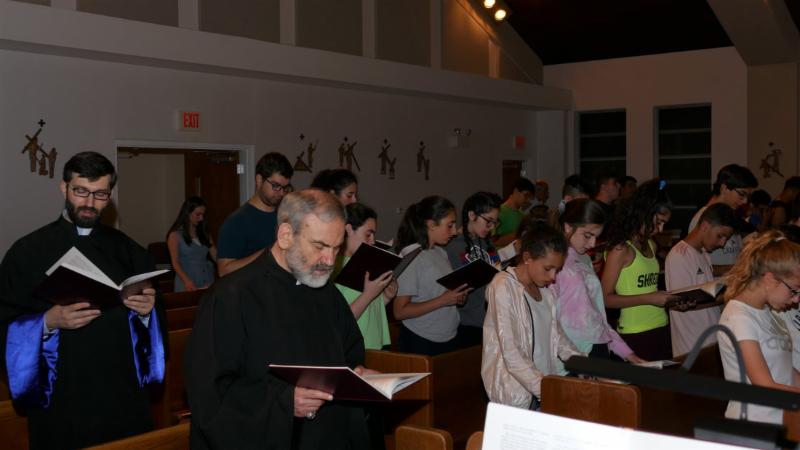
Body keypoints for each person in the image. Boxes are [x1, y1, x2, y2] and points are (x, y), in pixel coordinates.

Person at [0, 152, 165, 449]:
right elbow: (4, 321)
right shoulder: (26, 253)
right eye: (81, 191)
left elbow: (154, 327)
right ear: (64, 188)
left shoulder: (130, 251)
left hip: (121, 392)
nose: (90, 203)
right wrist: (47, 321)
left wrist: (145, 314)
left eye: (100, 194)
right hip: (62, 396)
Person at [185, 189, 373, 449]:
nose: (329, 260)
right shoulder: (231, 296)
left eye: (336, 248)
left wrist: (358, 375)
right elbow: (210, 394)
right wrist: (284, 402)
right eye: (320, 246)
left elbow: (350, 353)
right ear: (285, 235)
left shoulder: (327, 292)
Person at [482, 220, 581, 410]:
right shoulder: (503, 286)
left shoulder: (545, 291)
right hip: (517, 394)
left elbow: (558, 338)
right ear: (527, 257)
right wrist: (544, 389)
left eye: (557, 270)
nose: (553, 277)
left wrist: (585, 365)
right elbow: (511, 351)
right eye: (548, 268)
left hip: (545, 384)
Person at [718, 230, 800, 425]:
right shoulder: (738, 318)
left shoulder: (768, 311)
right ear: (770, 279)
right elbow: (764, 386)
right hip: (754, 425)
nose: (797, 299)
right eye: (794, 290)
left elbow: (786, 370)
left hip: (783, 419)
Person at [553, 199, 644, 363]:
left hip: (597, 347)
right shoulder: (552, 260)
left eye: (596, 237)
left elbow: (598, 315)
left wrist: (627, 353)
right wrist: (571, 360)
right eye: (587, 235)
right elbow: (550, 321)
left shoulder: (584, 258)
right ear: (567, 227)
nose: (592, 244)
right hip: (572, 354)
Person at [601, 179, 676, 361]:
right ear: (644, 213)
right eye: (658, 222)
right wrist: (649, 298)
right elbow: (604, 299)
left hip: (661, 326)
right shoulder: (621, 249)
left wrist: (671, 301)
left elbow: (648, 288)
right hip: (635, 332)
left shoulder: (651, 244)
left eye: (664, 224)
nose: (660, 229)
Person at [393, 196, 470, 355]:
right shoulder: (412, 256)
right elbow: (400, 311)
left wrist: (457, 297)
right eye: (449, 225)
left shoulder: (440, 252)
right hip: (421, 340)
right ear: (431, 225)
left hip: (448, 337)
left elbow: (440, 293)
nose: (454, 231)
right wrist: (443, 300)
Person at [665, 203, 737, 357]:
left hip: (710, 339)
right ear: (704, 226)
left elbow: (706, 291)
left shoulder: (703, 253)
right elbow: (682, 301)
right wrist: (732, 294)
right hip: (691, 346)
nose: (722, 243)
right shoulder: (679, 255)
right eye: (720, 236)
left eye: (726, 238)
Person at [216, 152, 294, 276]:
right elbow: (224, 271)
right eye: (276, 186)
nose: (281, 193)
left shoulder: (285, 217)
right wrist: (269, 253)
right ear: (259, 180)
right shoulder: (236, 222)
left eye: (285, 188)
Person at [335, 203, 397, 350]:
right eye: (368, 234)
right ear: (349, 229)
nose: (373, 241)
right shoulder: (335, 268)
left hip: (376, 344)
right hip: (356, 347)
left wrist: (386, 297)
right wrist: (369, 294)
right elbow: (341, 321)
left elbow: (368, 310)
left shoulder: (366, 263)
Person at [445, 192, 502, 347]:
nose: (491, 227)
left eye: (495, 222)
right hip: (467, 323)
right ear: (471, 215)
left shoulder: (488, 243)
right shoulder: (454, 246)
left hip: (491, 319)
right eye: (488, 221)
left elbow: (497, 268)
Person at [688, 164, 758, 276]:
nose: (745, 201)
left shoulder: (731, 216)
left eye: (748, 197)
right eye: (741, 194)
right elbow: (695, 267)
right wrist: (736, 269)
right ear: (724, 188)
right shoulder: (703, 219)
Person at [166, 196, 216, 292]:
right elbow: (175, 263)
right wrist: (187, 281)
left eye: (203, 215)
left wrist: (227, 264)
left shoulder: (204, 233)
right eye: (198, 214)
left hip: (207, 279)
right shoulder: (175, 235)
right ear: (187, 213)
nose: (201, 218)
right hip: (187, 281)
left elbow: (214, 254)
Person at [493, 178, 535, 247]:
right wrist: (518, 235)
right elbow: (492, 242)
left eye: (529, 197)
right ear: (516, 191)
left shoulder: (522, 215)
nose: (527, 200)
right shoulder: (499, 212)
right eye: (526, 195)